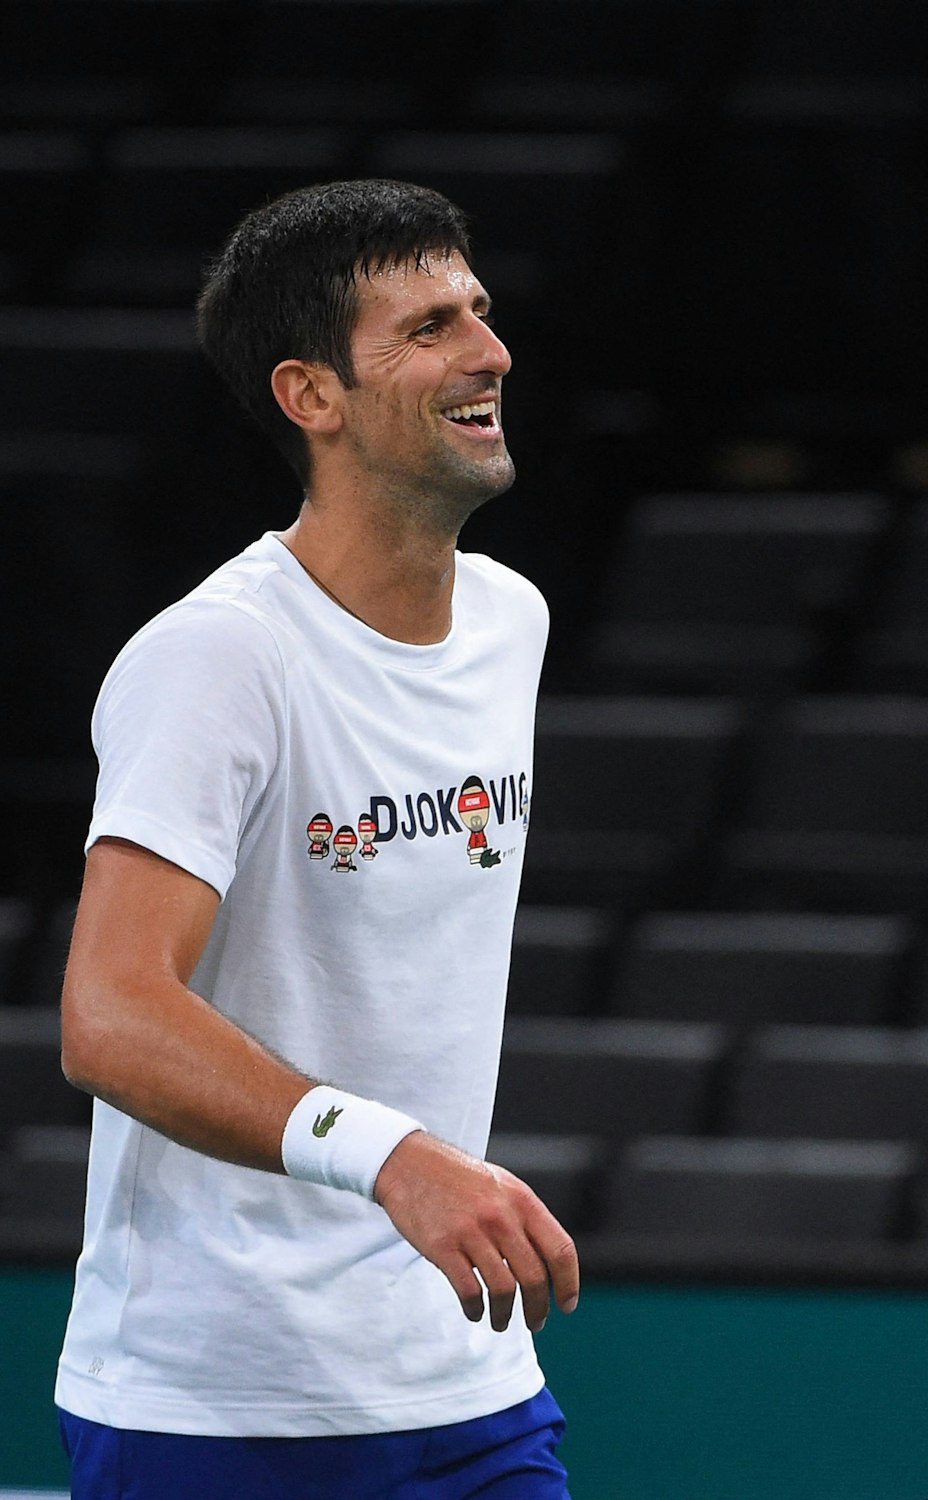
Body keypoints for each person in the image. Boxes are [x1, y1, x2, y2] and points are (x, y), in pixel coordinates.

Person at [55, 179, 580, 1499]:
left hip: (470, 1384)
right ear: (312, 395)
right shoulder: (220, 659)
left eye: (480, 312)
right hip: (218, 1407)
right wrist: (389, 1155)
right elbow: (109, 1016)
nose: (487, 351)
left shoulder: (511, 622)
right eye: (427, 328)